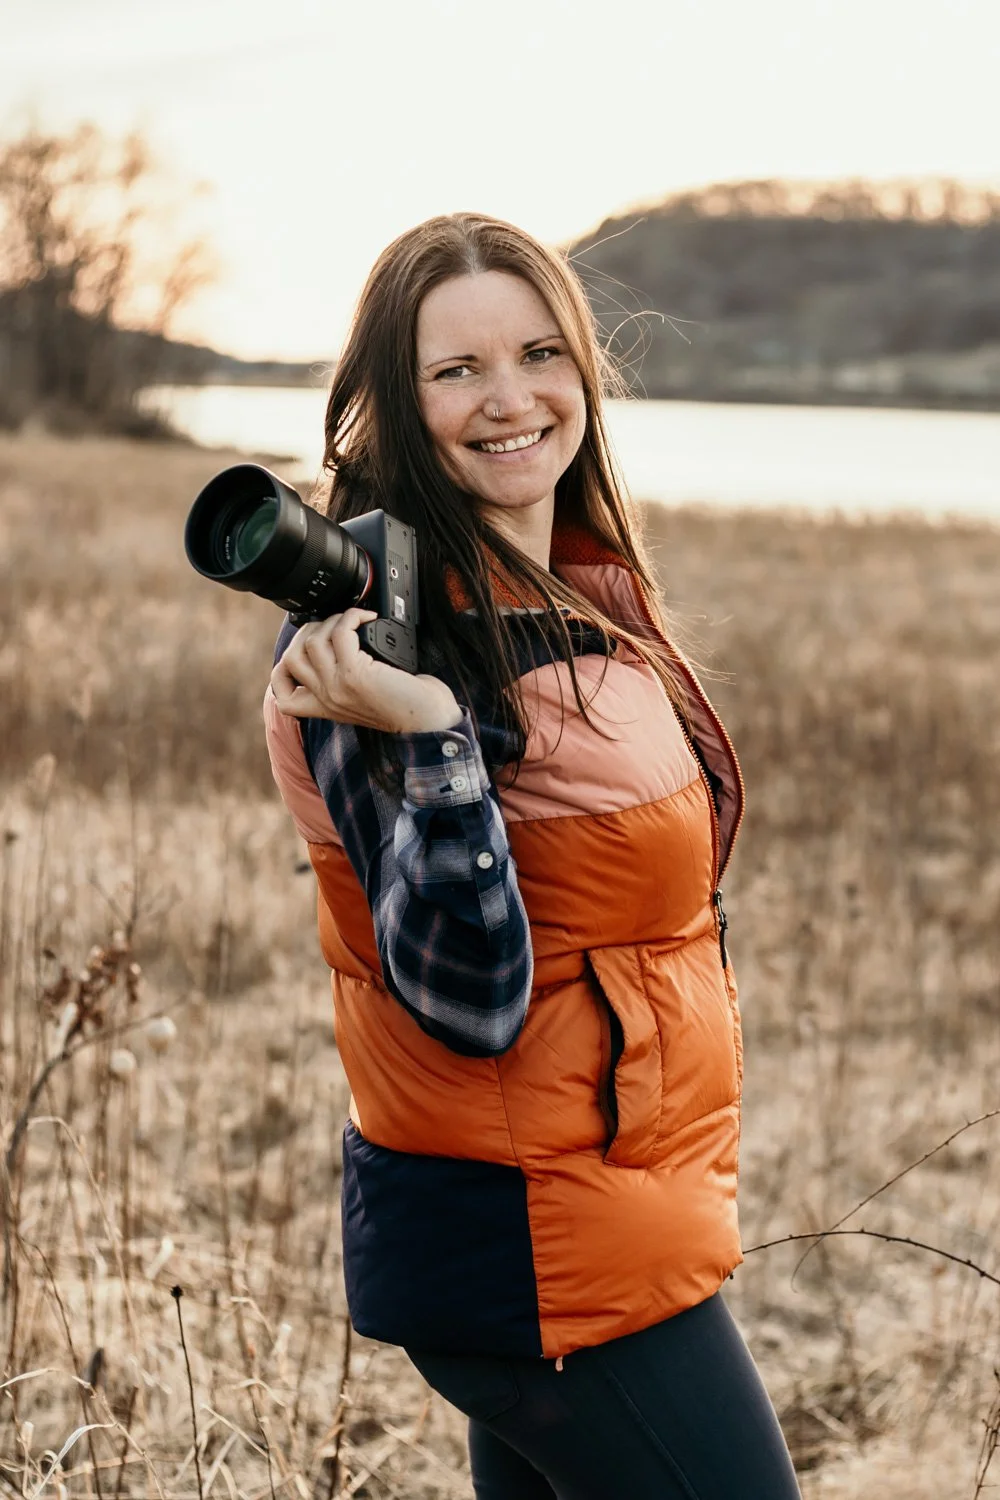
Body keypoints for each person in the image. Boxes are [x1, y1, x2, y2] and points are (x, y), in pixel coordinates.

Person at [264, 213, 801, 1500]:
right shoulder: (377, 652)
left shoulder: (574, 596)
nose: (509, 400)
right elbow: (463, 997)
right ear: (397, 403)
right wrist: (437, 738)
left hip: (597, 1210)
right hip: (532, 1238)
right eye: (455, 372)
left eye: (539, 352)